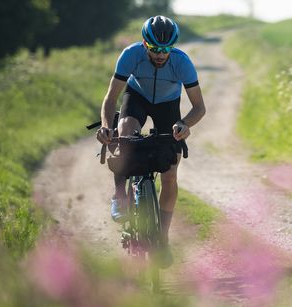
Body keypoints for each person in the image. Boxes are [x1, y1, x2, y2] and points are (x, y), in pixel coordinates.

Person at [96, 15, 206, 266]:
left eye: (166, 49)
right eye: (155, 49)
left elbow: (199, 107)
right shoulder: (130, 55)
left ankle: (162, 238)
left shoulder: (182, 63)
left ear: (173, 48)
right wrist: (105, 127)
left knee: (170, 174)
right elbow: (110, 99)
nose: (160, 54)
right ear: (145, 44)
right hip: (137, 97)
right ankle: (119, 195)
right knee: (124, 131)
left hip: (168, 104)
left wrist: (184, 124)